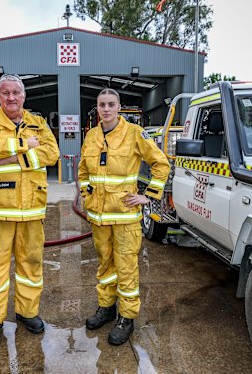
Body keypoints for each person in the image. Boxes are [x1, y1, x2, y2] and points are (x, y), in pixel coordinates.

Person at [78, 88, 170, 345]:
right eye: (101, 105)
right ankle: (106, 308)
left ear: (118, 107)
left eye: (110, 104)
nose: (105, 109)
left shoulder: (133, 134)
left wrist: (148, 195)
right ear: (97, 108)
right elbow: (83, 171)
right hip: (99, 218)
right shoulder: (92, 136)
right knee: (105, 266)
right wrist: (87, 195)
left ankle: (126, 317)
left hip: (125, 218)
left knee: (126, 268)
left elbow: (161, 163)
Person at [0, 74, 59, 348]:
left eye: (16, 92)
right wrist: (24, 145)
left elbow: (52, 153)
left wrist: (9, 158)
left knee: (30, 266)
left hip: (32, 210)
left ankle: (27, 312)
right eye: (5, 93)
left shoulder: (39, 123)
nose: (11, 97)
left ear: (24, 95)